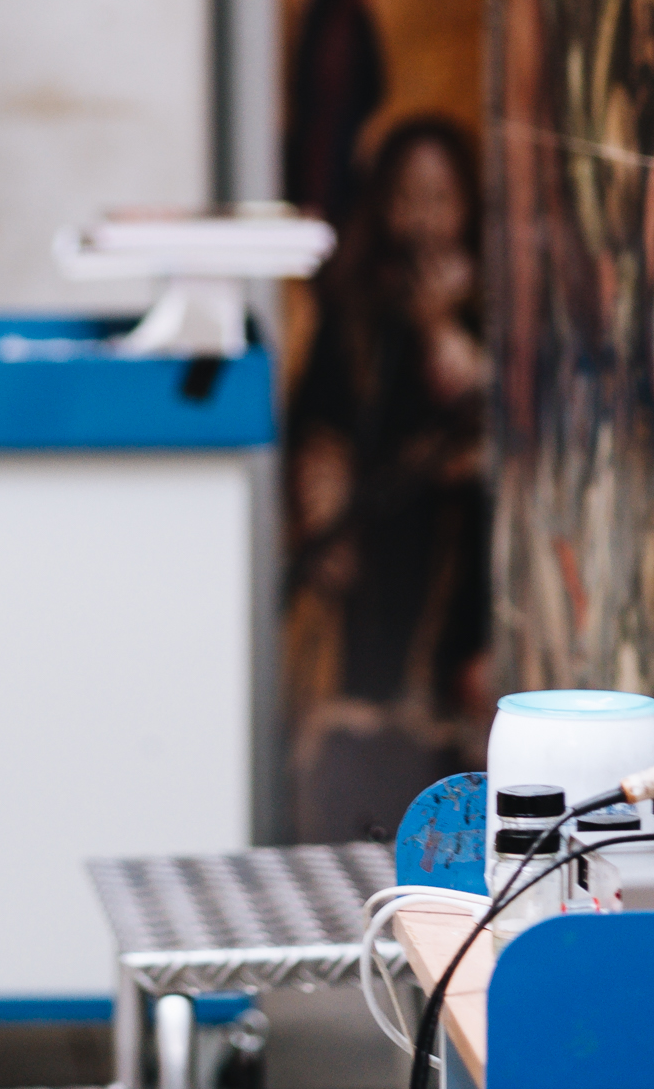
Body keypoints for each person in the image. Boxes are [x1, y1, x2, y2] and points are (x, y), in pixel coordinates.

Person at [282, 115, 493, 842]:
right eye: (408, 197)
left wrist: (443, 326)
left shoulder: (494, 307)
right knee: (359, 751)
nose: (424, 219)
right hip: (373, 565)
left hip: (460, 568)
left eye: (441, 198)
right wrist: (319, 509)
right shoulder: (355, 315)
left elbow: (494, 418)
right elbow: (316, 427)